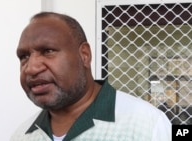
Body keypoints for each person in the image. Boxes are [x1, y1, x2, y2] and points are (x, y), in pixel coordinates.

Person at [11, 11, 171, 141]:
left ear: (84, 55)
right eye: (24, 56)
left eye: (48, 51)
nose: (31, 68)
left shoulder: (146, 125)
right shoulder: (22, 136)